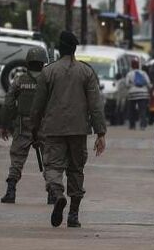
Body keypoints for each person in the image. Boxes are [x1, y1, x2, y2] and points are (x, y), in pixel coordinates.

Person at [31, 31, 107, 228]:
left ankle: (57, 194)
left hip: (53, 129)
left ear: (59, 48)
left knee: (53, 167)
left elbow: (37, 106)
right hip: (79, 130)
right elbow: (95, 105)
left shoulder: (48, 72)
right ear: (74, 49)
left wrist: (34, 128)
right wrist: (101, 133)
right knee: (76, 170)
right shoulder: (86, 72)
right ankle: (73, 215)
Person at [0, 47, 49, 205]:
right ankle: (53, 193)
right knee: (50, 160)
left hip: (23, 125)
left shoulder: (19, 80)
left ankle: (11, 191)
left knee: (17, 159)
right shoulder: (48, 80)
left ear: (28, 62)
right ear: (43, 63)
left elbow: (8, 103)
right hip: (44, 125)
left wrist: (7, 123)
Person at [124, 58, 152, 130]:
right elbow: (148, 83)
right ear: (138, 65)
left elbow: (126, 84)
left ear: (131, 65)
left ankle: (132, 125)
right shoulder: (143, 73)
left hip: (132, 95)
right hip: (143, 94)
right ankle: (143, 125)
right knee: (143, 110)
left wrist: (132, 86)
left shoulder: (129, 74)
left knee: (132, 111)